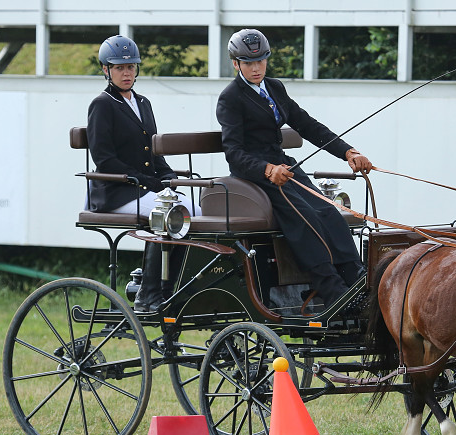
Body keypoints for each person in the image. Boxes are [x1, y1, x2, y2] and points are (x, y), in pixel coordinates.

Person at [216, 28, 372, 309]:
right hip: (255, 174)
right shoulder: (230, 98)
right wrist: (266, 170)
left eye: (260, 61)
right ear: (236, 64)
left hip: (283, 164)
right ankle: (332, 289)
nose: (256, 68)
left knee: (327, 209)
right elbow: (234, 153)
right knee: (304, 217)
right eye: (249, 63)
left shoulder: (274, 87)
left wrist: (347, 152)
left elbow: (307, 124)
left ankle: (356, 275)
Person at [86, 34, 199, 312]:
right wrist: (147, 182)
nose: (126, 73)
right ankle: (149, 294)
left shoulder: (143, 102)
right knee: (174, 213)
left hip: (144, 187)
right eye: (119, 68)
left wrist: (169, 178)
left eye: (131, 67)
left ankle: (170, 288)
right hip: (117, 190)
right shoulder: (102, 105)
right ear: (106, 70)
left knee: (193, 210)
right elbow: (103, 158)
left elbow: (153, 151)